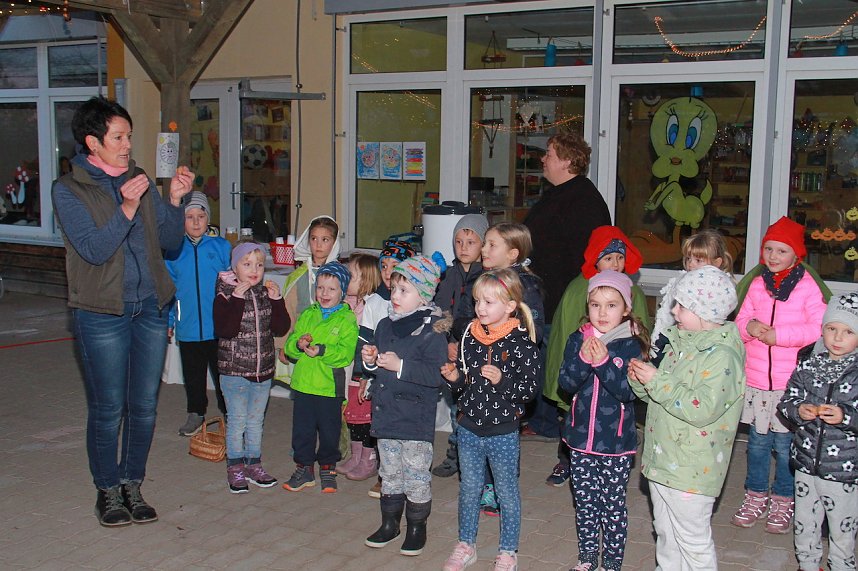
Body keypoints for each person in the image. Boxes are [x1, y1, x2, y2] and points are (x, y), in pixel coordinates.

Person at [52, 96, 194, 526]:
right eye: (119, 137)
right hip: (102, 313)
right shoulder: (69, 189)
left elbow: (168, 243)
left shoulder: (139, 178)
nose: (128, 144)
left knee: (144, 406)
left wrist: (174, 201)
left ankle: (133, 483)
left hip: (149, 308)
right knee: (109, 407)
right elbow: (94, 250)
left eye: (129, 136)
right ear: (92, 142)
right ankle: (108, 490)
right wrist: (126, 208)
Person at [627, 265, 744, 571]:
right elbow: (661, 397)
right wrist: (641, 381)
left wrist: (657, 381)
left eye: (681, 305)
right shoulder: (681, 343)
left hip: (692, 469)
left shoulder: (722, 356)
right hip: (664, 460)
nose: (674, 311)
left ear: (705, 312)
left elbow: (701, 408)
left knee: (692, 541)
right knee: (666, 533)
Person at [732, 216, 829, 534]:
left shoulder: (806, 287)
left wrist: (781, 335)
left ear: (796, 254)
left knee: (786, 446)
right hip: (758, 381)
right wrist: (749, 327)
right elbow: (740, 319)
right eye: (768, 249)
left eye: (781, 251)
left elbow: (818, 327)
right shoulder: (758, 284)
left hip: (790, 386)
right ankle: (755, 495)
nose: (773, 256)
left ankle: (783, 500)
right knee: (758, 445)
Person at [439, 268, 539, 571]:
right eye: (478, 301)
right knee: (469, 488)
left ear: (510, 306)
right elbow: (465, 381)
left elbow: (529, 391)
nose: (480, 308)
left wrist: (502, 382)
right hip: (469, 426)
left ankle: (508, 551)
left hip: (503, 430)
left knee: (506, 490)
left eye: (489, 303)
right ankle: (466, 544)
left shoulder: (522, 343)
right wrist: (455, 378)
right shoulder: (470, 334)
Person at [541, 225, 649, 486]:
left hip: (614, 397)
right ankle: (566, 459)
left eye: (620, 257)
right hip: (582, 383)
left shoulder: (633, 293)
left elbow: (641, 335)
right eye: (608, 257)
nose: (615, 263)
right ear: (595, 258)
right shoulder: (579, 289)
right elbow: (566, 333)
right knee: (573, 420)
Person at [558, 270, 648, 571]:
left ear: (626, 308)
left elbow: (627, 392)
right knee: (585, 505)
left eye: (611, 305)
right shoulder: (577, 339)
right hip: (581, 440)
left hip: (616, 444)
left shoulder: (631, 344)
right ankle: (586, 558)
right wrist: (584, 361)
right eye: (595, 304)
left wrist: (603, 362)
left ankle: (611, 562)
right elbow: (566, 383)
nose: (602, 312)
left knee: (612, 507)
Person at [362, 253, 448, 557]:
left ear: (423, 295)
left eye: (404, 290)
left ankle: (416, 527)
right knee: (390, 472)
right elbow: (379, 365)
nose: (395, 295)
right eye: (394, 288)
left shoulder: (432, 329)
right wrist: (371, 362)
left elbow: (435, 375)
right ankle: (389, 524)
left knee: (415, 475)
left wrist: (400, 365)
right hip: (386, 415)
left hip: (414, 419)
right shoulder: (385, 325)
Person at [778, 292, 858, 571]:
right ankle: (808, 564)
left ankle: (842, 565)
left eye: (848, 331)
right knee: (805, 523)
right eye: (831, 328)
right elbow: (787, 400)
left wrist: (846, 415)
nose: (837, 337)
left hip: (844, 470)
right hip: (806, 462)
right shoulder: (809, 364)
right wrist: (799, 410)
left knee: (842, 529)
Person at [479, 222, 545, 515]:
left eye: (492, 245)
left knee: (504, 429)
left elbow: (535, 331)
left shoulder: (525, 286)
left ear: (513, 253)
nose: (483, 249)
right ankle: (486, 481)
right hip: (487, 366)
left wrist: (509, 350)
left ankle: (502, 486)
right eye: (485, 243)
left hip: (511, 372)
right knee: (484, 424)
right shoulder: (488, 281)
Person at [214, 242, 290, 493]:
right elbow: (225, 330)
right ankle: (235, 467)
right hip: (234, 370)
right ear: (234, 267)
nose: (254, 270)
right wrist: (236, 298)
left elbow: (280, 328)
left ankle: (253, 464)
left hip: (262, 370)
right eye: (247, 264)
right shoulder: (225, 294)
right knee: (237, 421)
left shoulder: (264, 292)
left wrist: (277, 300)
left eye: (259, 264)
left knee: (256, 420)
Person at [282, 261, 358, 493]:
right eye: (321, 288)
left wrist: (322, 350)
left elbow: (345, 355)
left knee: (329, 431)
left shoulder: (347, 320)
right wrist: (298, 344)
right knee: (302, 431)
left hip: (328, 388)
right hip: (304, 385)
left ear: (342, 292)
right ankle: (304, 469)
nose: (324, 294)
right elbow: (289, 348)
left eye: (332, 289)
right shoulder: (308, 314)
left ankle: (327, 467)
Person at [523, 133, 611, 323]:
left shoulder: (583, 201)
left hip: (560, 305)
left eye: (548, 154)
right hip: (544, 300)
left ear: (566, 161)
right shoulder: (557, 194)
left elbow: (584, 257)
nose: (542, 158)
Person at [165, 191, 231, 436]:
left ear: (208, 219)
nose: (195, 222)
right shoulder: (173, 251)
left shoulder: (221, 247)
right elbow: (168, 290)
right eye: (189, 216)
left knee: (223, 374)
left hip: (219, 327)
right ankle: (196, 412)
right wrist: (170, 320)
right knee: (193, 375)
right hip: (188, 326)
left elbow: (234, 284)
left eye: (200, 216)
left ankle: (230, 412)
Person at [433, 213, 489, 479]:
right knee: (457, 407)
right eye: (459, 241)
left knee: (473, 407)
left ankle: (474, 459)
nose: (464, 247)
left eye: (471, 241)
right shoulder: (448, 276)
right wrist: (447, 343)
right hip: (452, 351)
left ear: (483, 245)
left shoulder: (487, 276)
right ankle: (454, 455)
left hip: (477, 351)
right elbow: (440, 313)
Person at [359, 240, 415, 499]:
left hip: (406, 377)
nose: (387, 270)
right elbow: (366, 341)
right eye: (384, 265)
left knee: (407, 425)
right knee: (382, 425)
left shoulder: (414, 303)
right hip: (380, 377)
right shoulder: (374, 303)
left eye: (395, 266)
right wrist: (364, 374)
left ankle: (409, 472)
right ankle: (386, 475)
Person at [650, 229, 732, 363]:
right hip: (673, 337)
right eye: (689, 258)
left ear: (717, 263)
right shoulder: (680, 282)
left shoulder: (721, 288)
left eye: (698, 260)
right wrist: (656, 342)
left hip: (705, 344)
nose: (691, 264)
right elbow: (665, 315)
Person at [337, 253, 382, 481]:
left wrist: (364, 371)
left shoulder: (371, 308)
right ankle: (356, 456)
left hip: (362, 372)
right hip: (347, 371)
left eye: (351, 276)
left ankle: (368, 459)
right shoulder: (345, 305)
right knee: (352, 415)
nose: (346, 280)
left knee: (364, 417)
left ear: (366, 280)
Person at [281, 215, 340, 326]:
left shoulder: (340, 275)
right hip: (301, 331)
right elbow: (289, 310)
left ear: (334, 242)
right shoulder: (299, 275)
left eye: (325, 239)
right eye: (314, 238)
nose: (318, 245)